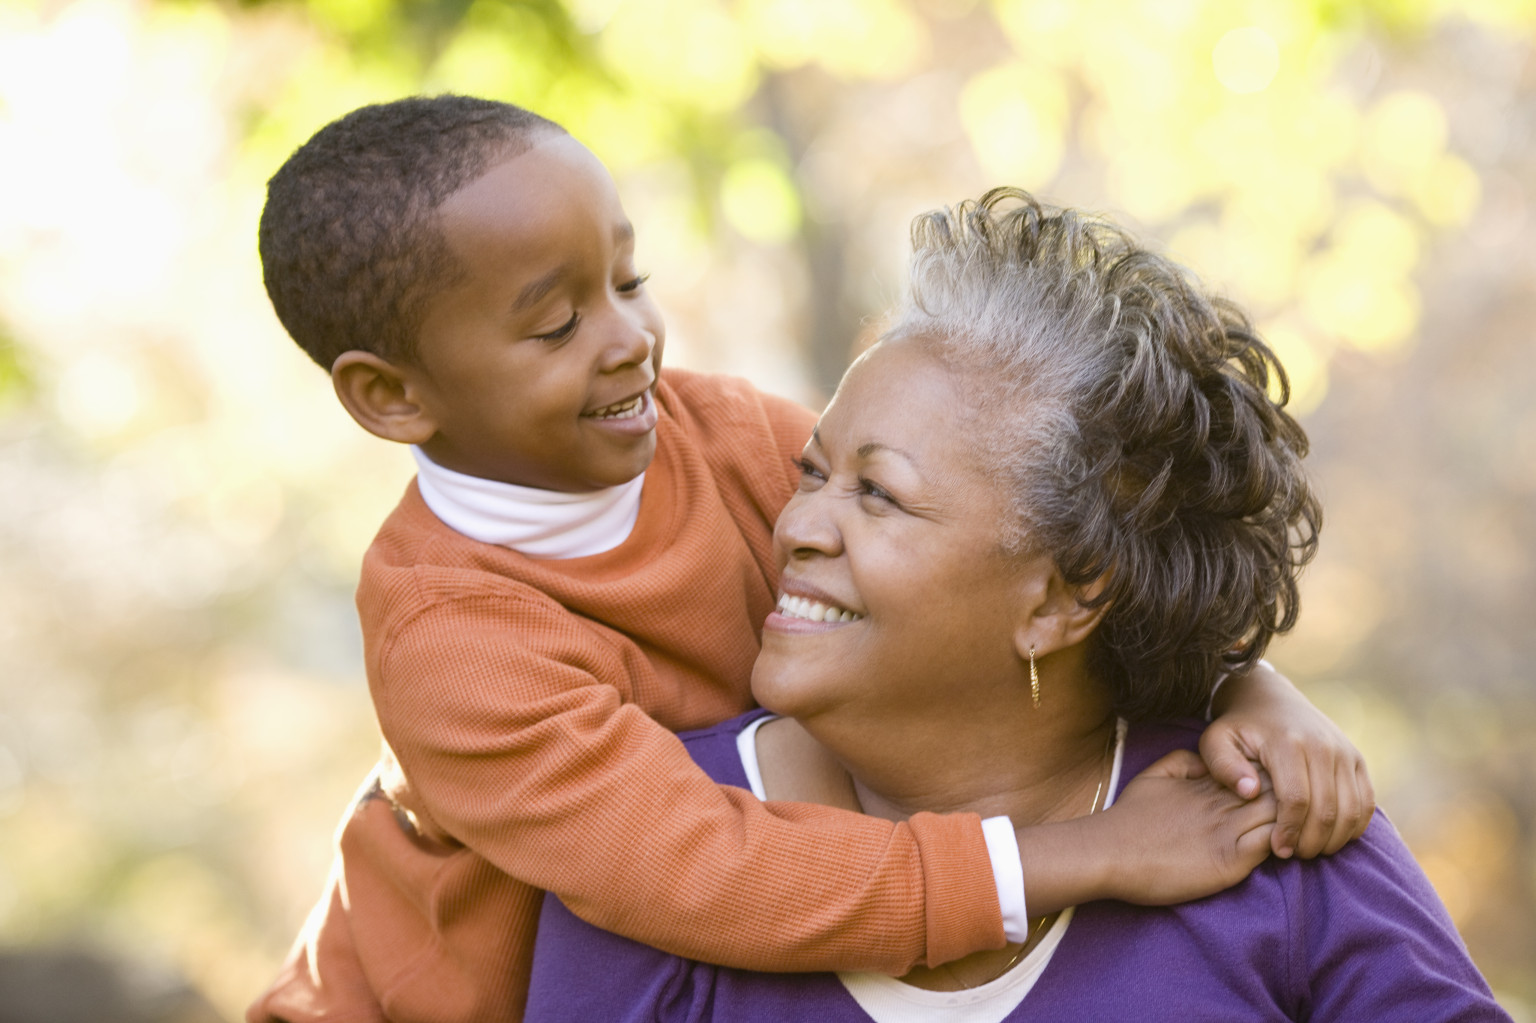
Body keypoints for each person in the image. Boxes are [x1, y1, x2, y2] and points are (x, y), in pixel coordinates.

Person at [249, 98, 1375, 1023]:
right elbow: (714, 873)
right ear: (391, 396)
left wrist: (1242, 683)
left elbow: (990, 558)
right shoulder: (453, 644)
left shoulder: (725, 433)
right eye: (555, 327)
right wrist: (1088, 854)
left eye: (628, 282)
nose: (630, 338)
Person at [525, 189, 1510, 1022]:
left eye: (879, 494)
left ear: (1063, 599)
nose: (798, 529)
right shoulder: (649, 842)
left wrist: (1250, 682)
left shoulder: (1269, 829)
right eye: (813, 473)